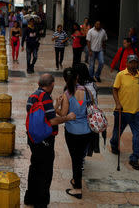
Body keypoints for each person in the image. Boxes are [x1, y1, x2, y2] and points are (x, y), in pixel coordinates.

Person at [24, 73, 76, 207]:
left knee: (34, 167)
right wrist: (68, 117)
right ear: (51, 84)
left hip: (33, 138)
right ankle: (41, 202)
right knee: (45, 172)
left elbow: (40, 117)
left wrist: (56, 105)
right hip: (45, 141)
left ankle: (30, 197)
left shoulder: (33, 96)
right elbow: (52, 121)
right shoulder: (46, 98)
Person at [58, 68, 93, 200]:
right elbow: (92, 107)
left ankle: (77, 189)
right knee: (80, 157)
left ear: (65, 79)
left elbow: (63, 115)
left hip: (72, 132)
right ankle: (75, 179)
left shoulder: (67, 94)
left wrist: (57, 106)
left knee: (76, 160)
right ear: (77, 77)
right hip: (87, 131)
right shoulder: (87, 91)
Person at [110, 55, 139, 170]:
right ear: (127, 63)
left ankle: (134, 158)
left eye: (135, 62)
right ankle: (114, 144)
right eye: (131, 62)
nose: (133, 65)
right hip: (122, 111)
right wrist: (118, 103)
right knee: (117, 133)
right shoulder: (121, 74)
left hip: (136, 112)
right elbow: (115, 90)